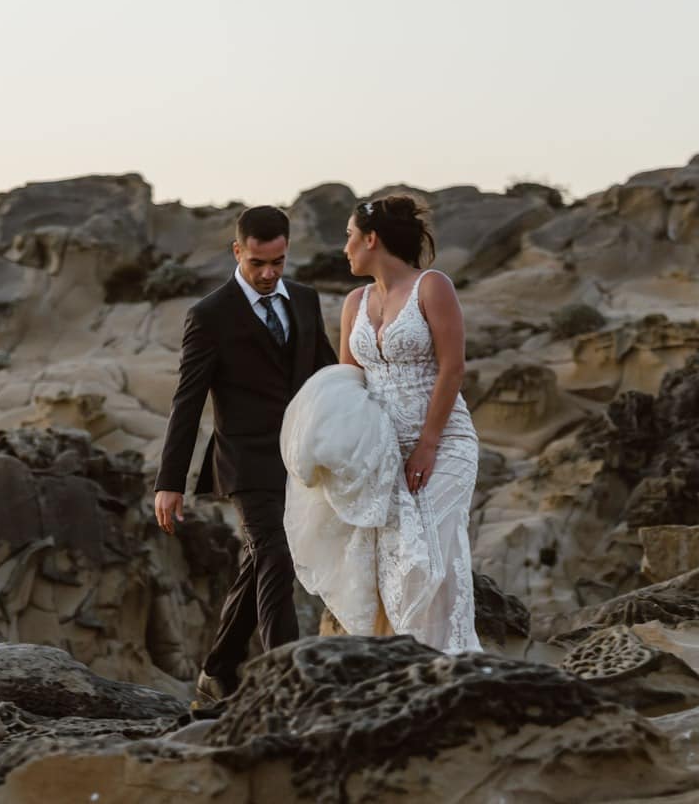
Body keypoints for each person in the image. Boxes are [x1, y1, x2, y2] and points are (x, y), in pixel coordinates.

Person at [153, 205, 339, 705]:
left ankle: (217, 669)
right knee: (277, 553)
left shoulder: (303, 299)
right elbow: (187, 401)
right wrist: (169, 481)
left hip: (300, 457)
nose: (268, 274)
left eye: (277, 262)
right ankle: (288, 679)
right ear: (237, 252)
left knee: (259, 560)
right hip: (246, 461)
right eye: (258, 262)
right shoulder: (210, 315)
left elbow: (327, 373)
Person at [281, 194, 482, 654]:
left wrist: (428, 444)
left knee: (429, 557)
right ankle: (407, 666)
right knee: (392, 564)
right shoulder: (355, 302)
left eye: (350, 237)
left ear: (372, 239)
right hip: (383, 451)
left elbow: (452, 368)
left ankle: (449, 661)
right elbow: (349, 381)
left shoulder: (432, 286)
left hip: (444, 442)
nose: (345, 247)